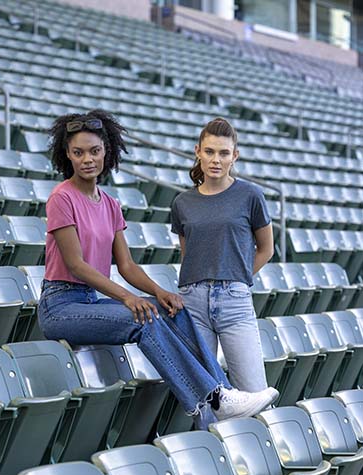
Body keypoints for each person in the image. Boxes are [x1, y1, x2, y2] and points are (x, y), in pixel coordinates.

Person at [37, 109, 278, 430]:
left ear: (106, 152)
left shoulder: (109, 204)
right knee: (145, 320)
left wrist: (160, 293)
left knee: (174, 312)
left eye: (94, 151)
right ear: (67, 154)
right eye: (78, 152)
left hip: (90, 301)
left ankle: (222, 395)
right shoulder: (61, 198)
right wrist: (128, 298)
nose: (87, 159)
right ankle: (218, 396)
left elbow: (126, 265)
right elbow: (76, 265)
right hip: (61, 305)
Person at [171, 117, 273, 423]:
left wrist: (237, 279)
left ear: (235, 156)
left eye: (224, 153)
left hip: (235, 301)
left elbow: (266, 249)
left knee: (254, 395)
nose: (217, 160)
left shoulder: (251, 196)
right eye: (210, 151)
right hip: (194, 302)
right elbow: (189, 254)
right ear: (198, 152)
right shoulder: (182, 202)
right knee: (205, 400)